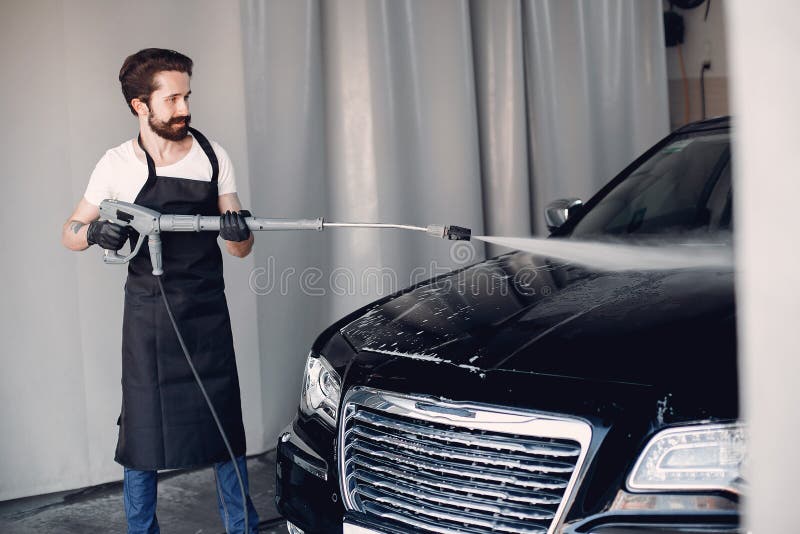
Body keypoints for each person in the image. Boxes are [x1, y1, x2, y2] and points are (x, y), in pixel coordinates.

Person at [61, 48, 259, 534]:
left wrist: (237, 232)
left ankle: (242, 527)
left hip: (207, 312)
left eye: (187, 95)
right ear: (140, 106)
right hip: (149, 317)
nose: (184, 107)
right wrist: (92, 234)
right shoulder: (117, 164)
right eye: (171, 99)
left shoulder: (213, 156)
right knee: (143, 433)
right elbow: (67, 232)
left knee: (224, 426)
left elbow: (241, 251)